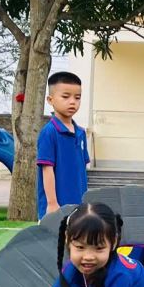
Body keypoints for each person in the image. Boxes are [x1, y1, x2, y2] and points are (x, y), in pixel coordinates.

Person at [36, 70, 90, 219]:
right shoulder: (49, 132)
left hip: (79, 208)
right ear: (50, 100)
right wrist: (52, 203)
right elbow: (47, 170)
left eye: (77, 97)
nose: (72, 102)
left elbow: (82, 171)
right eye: (66, 97)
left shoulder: (81, 133)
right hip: (56, 208)